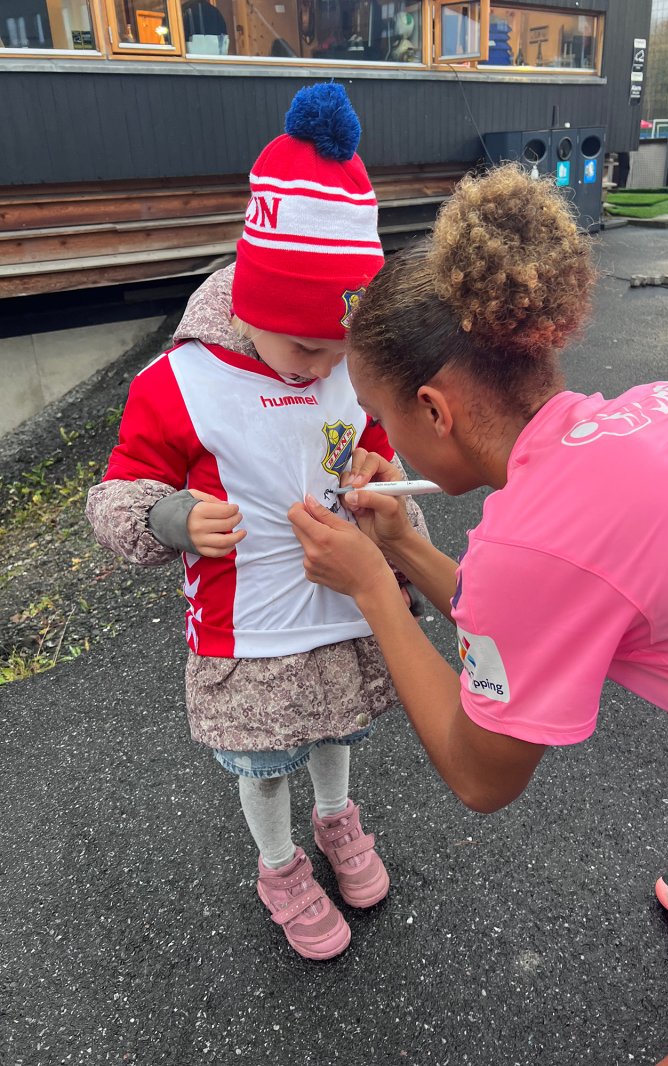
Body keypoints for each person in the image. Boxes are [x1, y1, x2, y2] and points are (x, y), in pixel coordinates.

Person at [288, 163, 668, 984]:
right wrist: (411, 553)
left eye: (381, 416)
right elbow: (529, 624)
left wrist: (373, 588)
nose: (381, 437)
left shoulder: (533, 541)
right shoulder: (645, 406)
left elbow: (478, 774)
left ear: (433, 410)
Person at [86, 83, 428, 961]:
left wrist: (378, 466)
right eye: (304, 345)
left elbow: (380, 433)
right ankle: (278, 862)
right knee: (263, 760)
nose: (322, 368)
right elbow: (116, 494)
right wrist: (172, 516)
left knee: (337, 729)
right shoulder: (179, 384)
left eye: (338, 351)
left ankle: (337, 818)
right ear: (251, 300)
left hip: (341, 610)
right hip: (247, 631)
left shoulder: (350, 368)